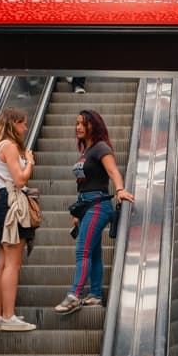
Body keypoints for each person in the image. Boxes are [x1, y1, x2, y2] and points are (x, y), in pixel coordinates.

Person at [56, 109, 135, 315]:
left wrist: (119, 189)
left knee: (83, 251)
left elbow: (112, 171)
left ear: (94, 126)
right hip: (86, 207)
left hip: (98, 205)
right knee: (94, 253)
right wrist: (77, 213)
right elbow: (84, 183)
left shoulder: (101, 147)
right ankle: (96, 294)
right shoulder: (86, 151)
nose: (78, 127)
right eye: (77, 123)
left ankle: (74, 295)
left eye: (84, 123)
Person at [0, 106, 38, 332]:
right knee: (13, 264)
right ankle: (8, 317)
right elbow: (19, 180)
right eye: (23, 123)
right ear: (13, 123)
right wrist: (30, 162)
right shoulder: (10, 147)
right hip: (12, 206)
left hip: (0, 206)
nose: (26, 128)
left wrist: (2, 204)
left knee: (1, 264)